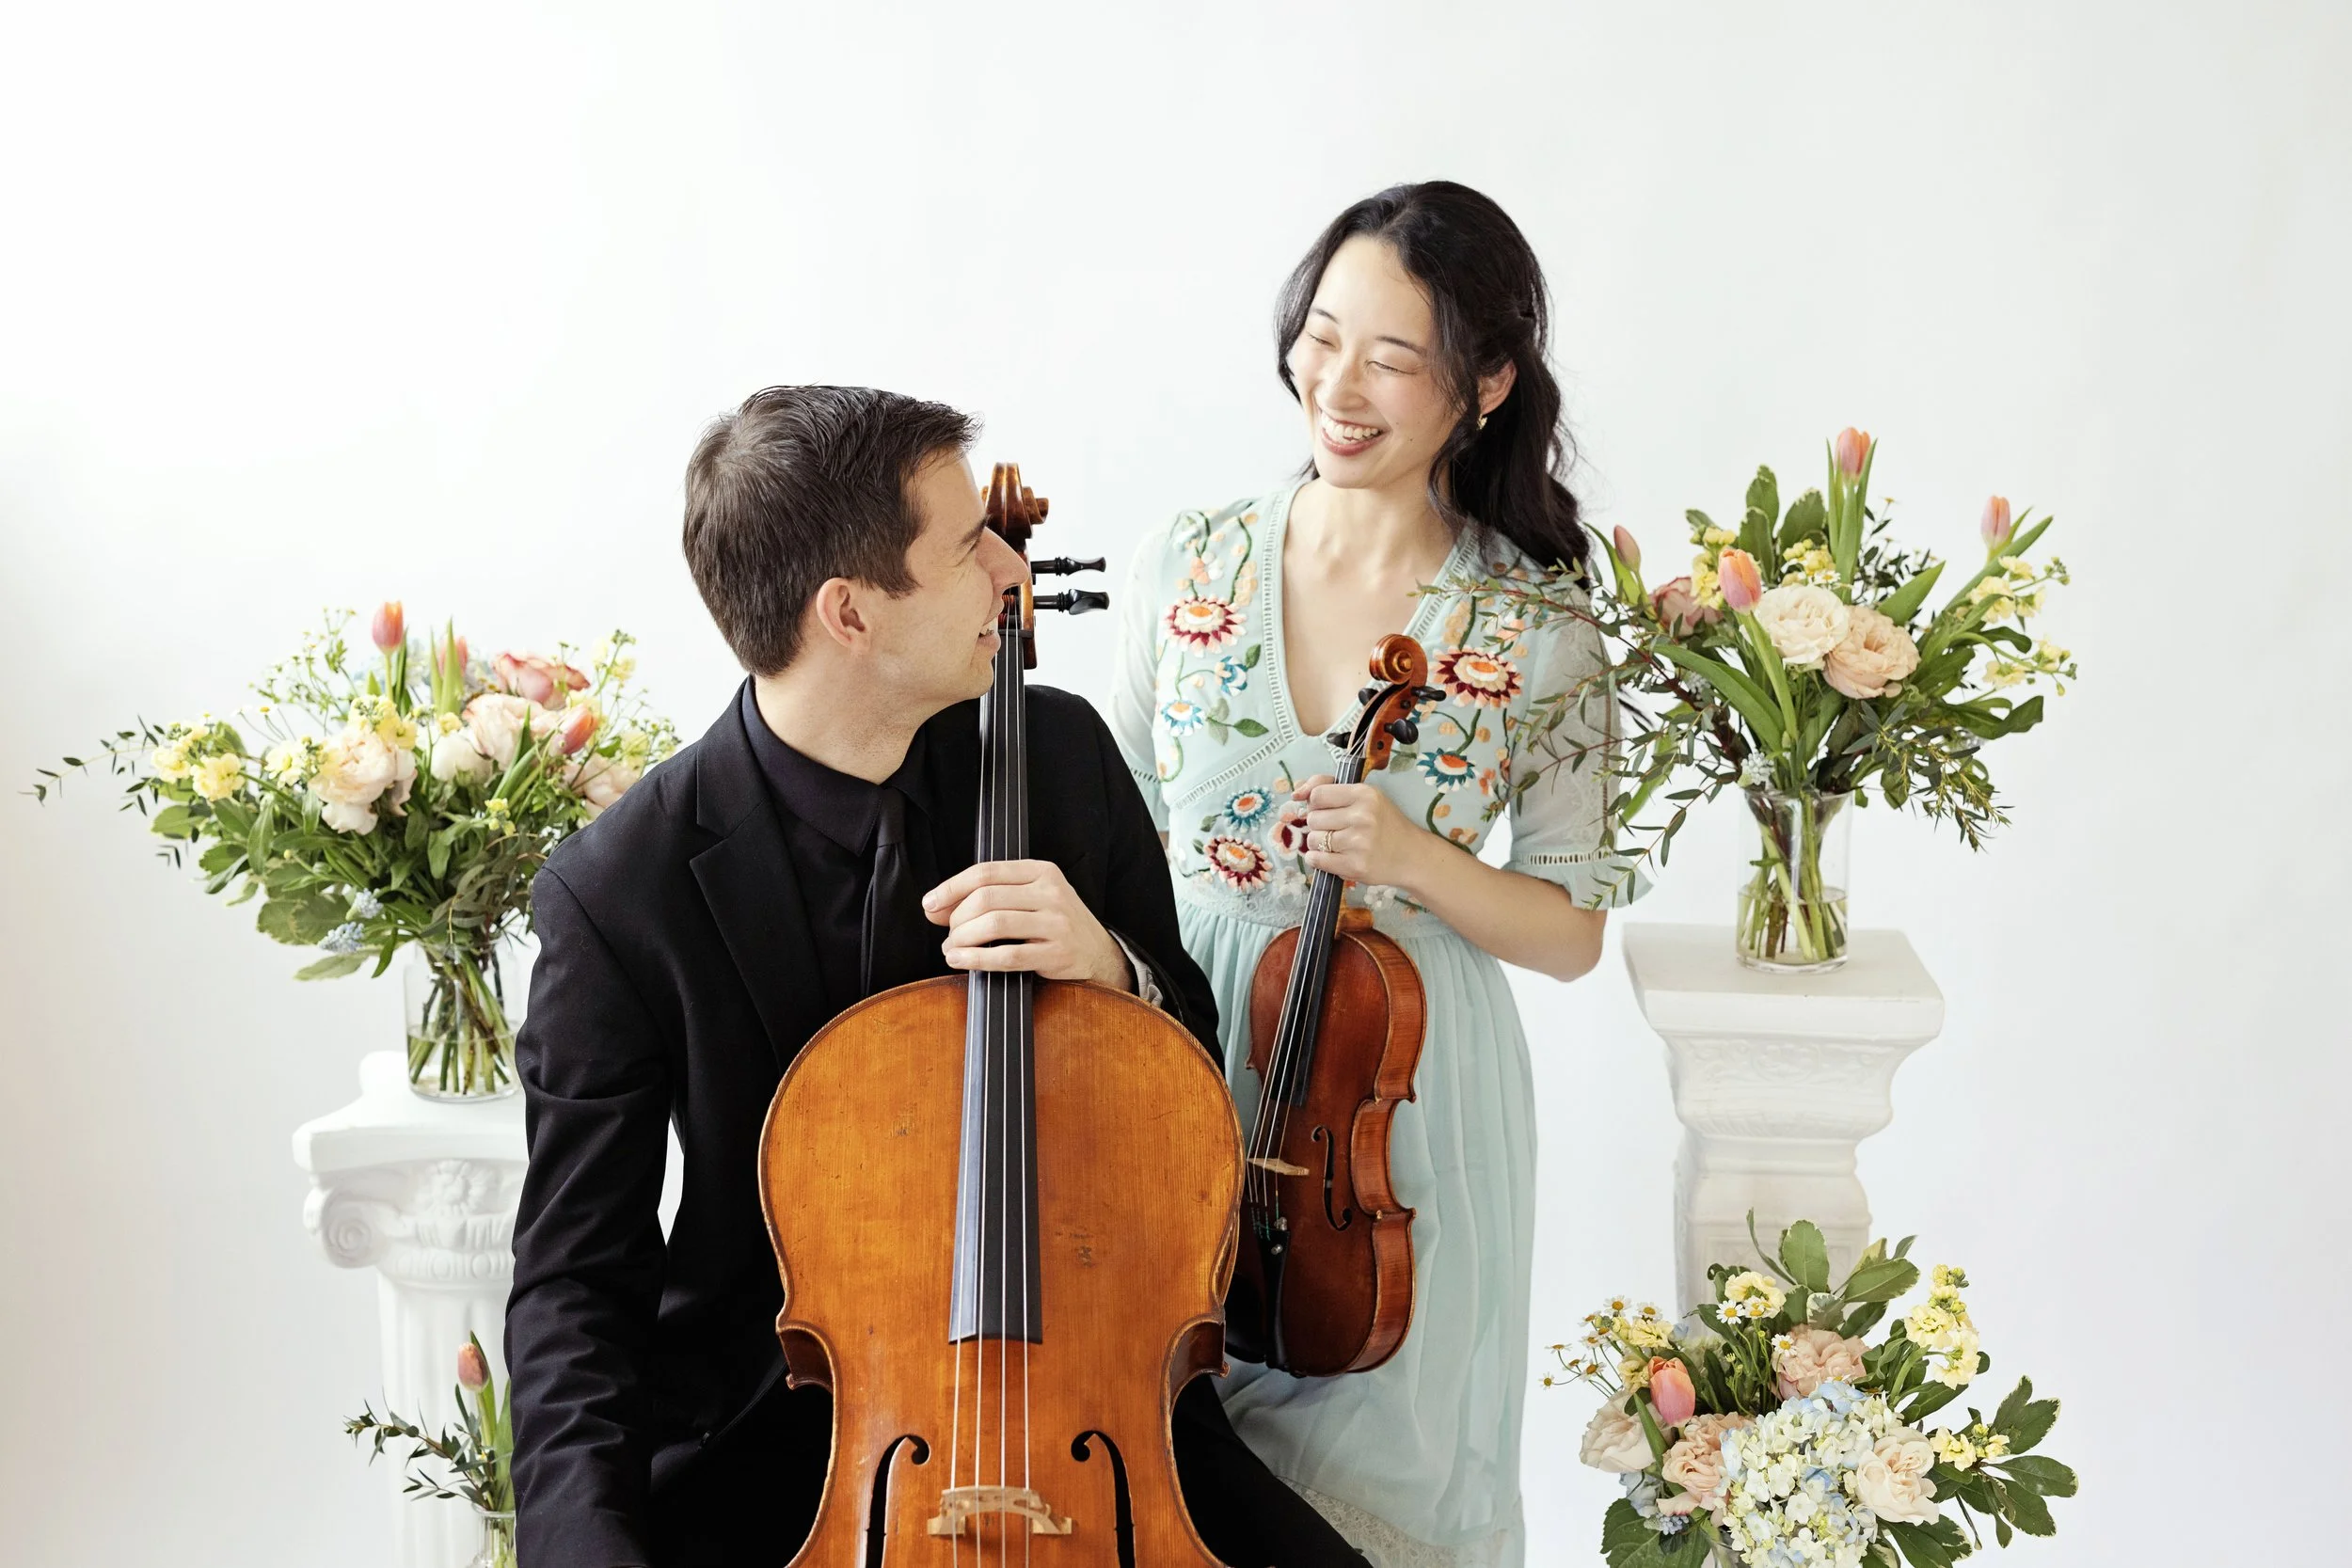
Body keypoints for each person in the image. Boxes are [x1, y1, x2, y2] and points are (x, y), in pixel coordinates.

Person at [506, 385, 1370, 1568]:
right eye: (970, 547)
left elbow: (1194, 1077)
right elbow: (576, 1284)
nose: (1012, 571)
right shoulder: (619, 891)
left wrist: (1112, 970)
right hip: (776, 1439)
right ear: (849, 612)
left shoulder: (1059, 758)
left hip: (1095, 1402)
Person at [1111, 182, 1647, 1567]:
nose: (1338, 388)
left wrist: (1410, 857)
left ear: (1486, 384)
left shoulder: (1538, 622)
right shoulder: (1190, 558)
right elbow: (1108, 833)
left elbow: (1571, 931)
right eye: (1323, 339)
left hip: (1393, 1123)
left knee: (1382, 1520)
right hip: (1183, 1069)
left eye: (1393, 359)